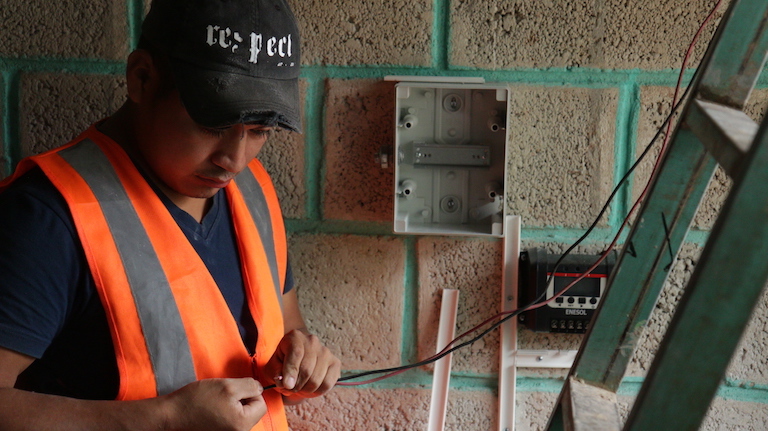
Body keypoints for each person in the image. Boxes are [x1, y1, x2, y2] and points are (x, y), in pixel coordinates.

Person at [0, 0, 340, 429]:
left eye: (259, 131)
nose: (234, 159)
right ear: (142, 78)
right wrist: (163, 418)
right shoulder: (49, 217)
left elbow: (284, 333)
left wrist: (299, 365)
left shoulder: (252, 190)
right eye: (213, 124)